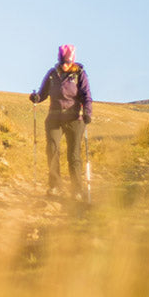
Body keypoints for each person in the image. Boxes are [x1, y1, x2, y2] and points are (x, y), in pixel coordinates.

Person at [30, 44, 93, 198]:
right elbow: (43, 93)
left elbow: (86, 96)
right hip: (54, 117)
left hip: (74, 118)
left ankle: (77, 190)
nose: (65, 65)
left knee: (74, 155)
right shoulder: (52, 74)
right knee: (52, 150)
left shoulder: (79, 74)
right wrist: (36, 98)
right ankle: (55, 186)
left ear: (72, 60)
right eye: (63, 61)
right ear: (59, 60)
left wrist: (87, 113)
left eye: (68, 61)